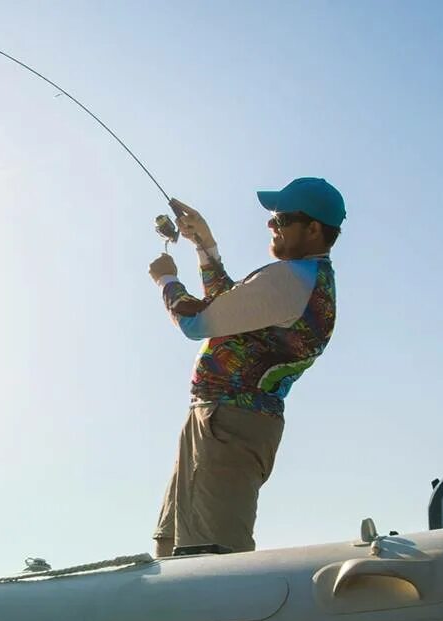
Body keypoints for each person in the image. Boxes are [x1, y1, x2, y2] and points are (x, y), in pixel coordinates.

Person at [146, 176, 344, 557]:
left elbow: (198, 322)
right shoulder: (301, 278)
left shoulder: (290, 280)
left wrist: (166, 279)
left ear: (314, 229)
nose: (271, 225)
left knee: (208, 557)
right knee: (170, 546)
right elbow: (228, 308)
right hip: (218, 420)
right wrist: (204, 245)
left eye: (281, 219)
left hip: (229, 425)